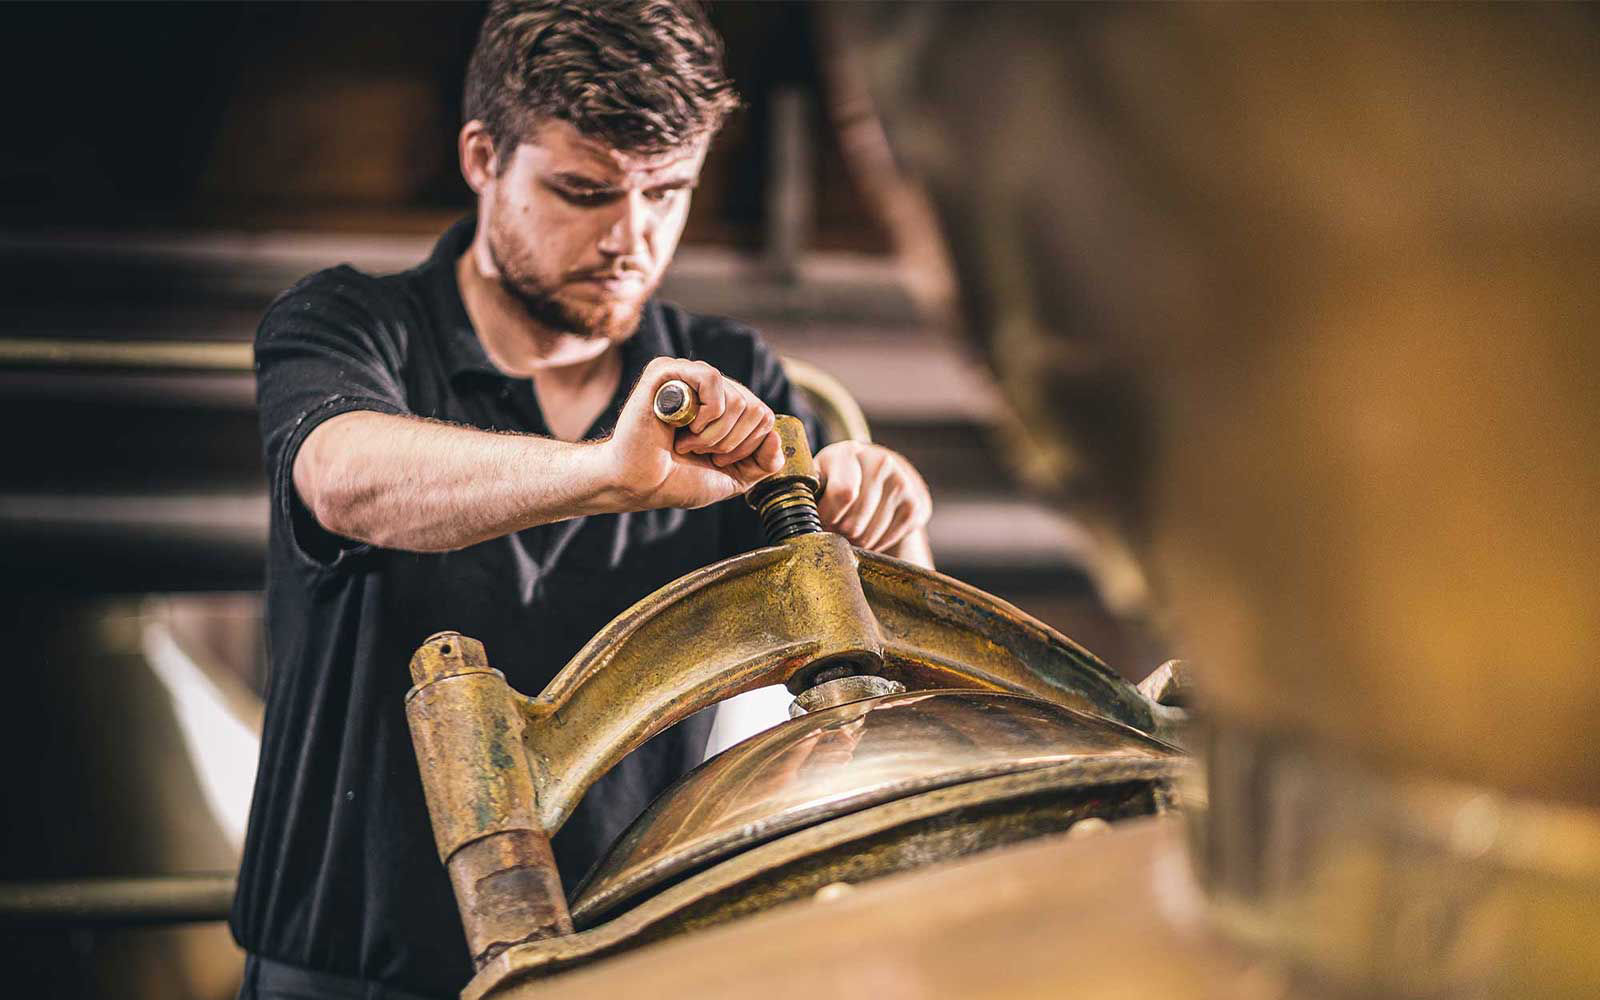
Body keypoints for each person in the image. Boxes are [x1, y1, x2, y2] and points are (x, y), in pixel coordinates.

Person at [230, 2, 933, 997]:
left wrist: (894, 537)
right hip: (350, 967)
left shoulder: (732, 369)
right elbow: (344, 479)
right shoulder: (348, 324)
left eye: (667, 193)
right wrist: (607, 471)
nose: (631, 238)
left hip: (617, 959)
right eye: (584, 191)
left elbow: (851, 658)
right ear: (483, 158)